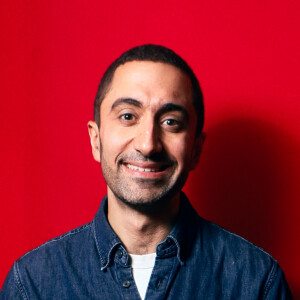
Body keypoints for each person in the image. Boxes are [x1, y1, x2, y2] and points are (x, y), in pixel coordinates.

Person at [0, 44, 292, 299]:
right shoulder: (32, 284)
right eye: (128, 116)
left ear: (196, 149)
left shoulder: (257, 282)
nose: (148, 144)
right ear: (96, 139)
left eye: (171, 122)